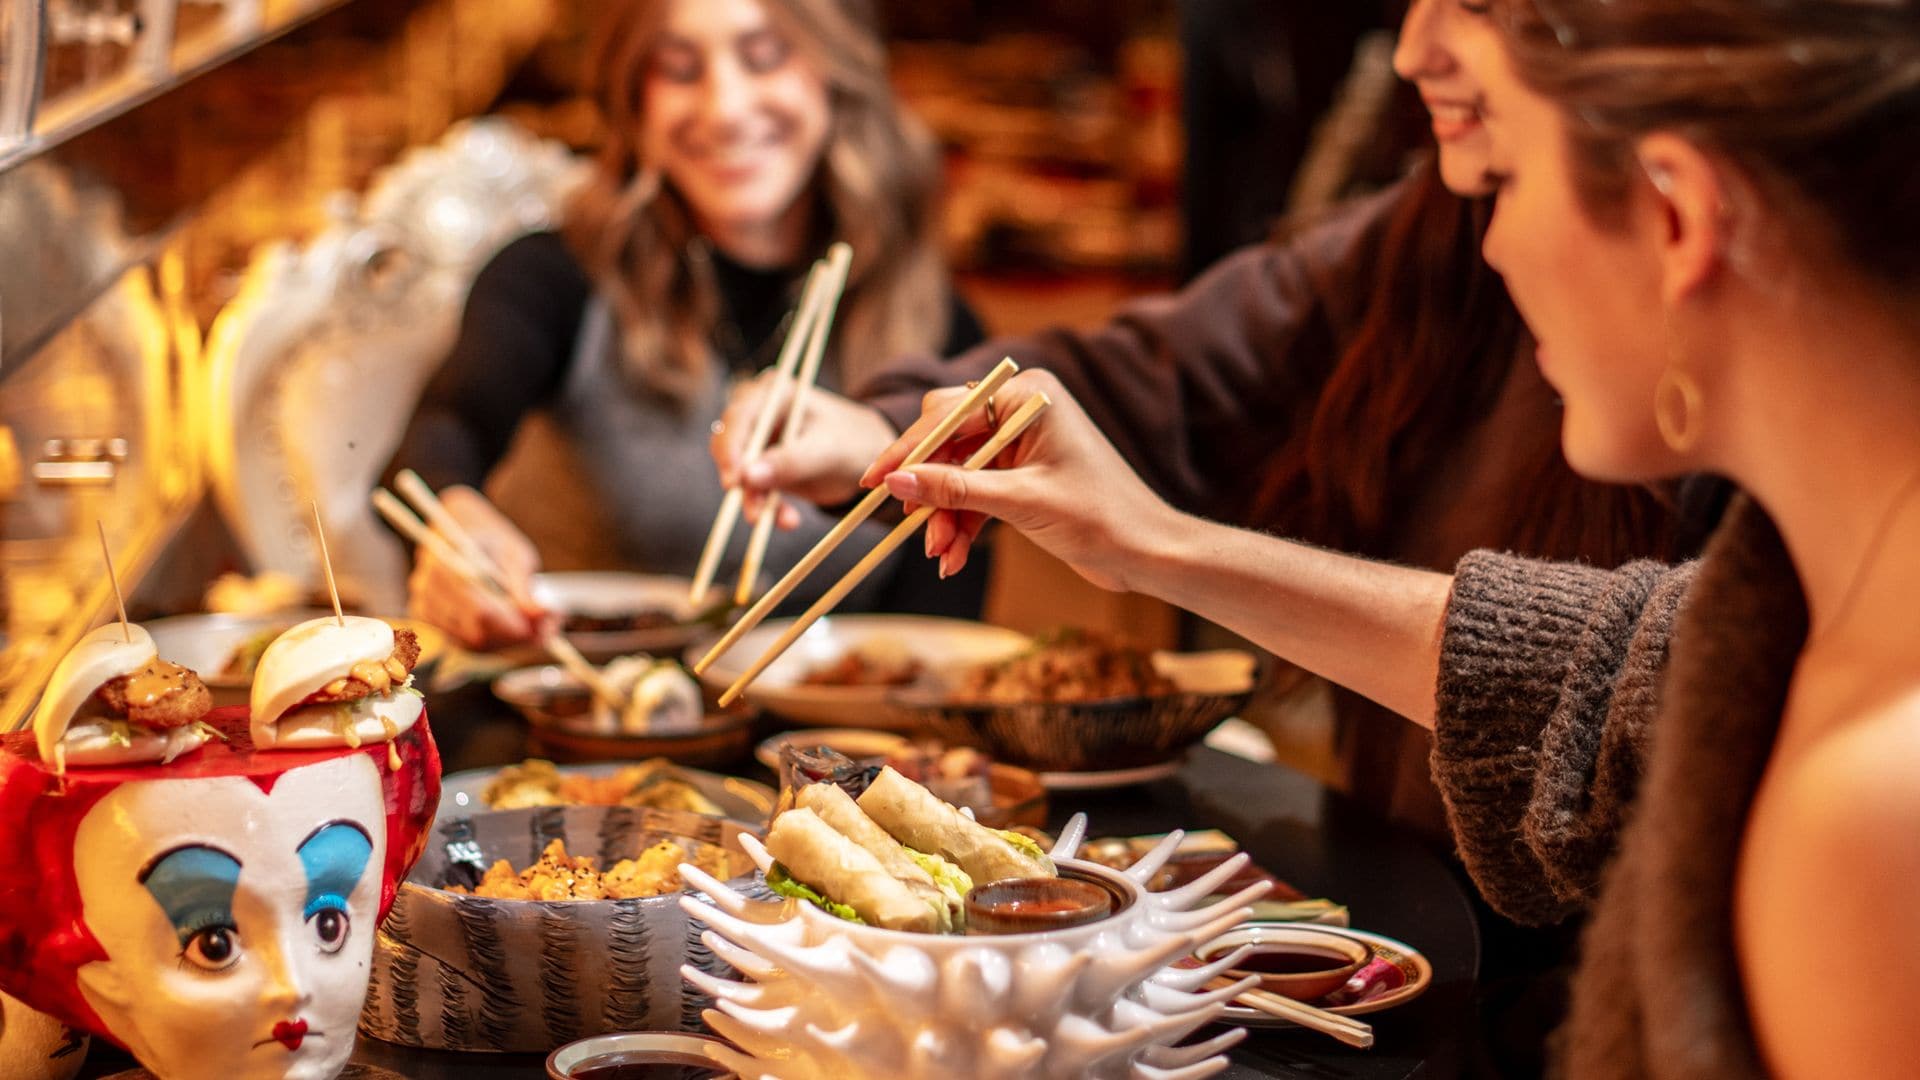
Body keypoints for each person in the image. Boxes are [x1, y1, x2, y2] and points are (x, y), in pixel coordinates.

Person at [857, 0, 1920, 1074]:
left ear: (1678, 215)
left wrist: (1157, 543)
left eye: (1504, 178)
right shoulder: (1818, 586)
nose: (1484, 229)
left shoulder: (1868, 809)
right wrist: (1151, 543)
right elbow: (1621, 671)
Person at [715, 0, 1723, 842]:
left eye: (1472, 2)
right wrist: (891, 426)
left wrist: (1161, 548)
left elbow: (1668, 684)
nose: (1413, 51)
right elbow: (1176, 368)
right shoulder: (1435, 225)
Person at [387, 0, 986, 649]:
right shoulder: (555, 277)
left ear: (837, 75)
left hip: (837, 740)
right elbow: (440, 437)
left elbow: (941, 631)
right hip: (580, 716)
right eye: (678, 68)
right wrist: (457, 520)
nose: (725, 109)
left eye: (766, 57)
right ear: (633, 99)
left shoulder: (936, 324)